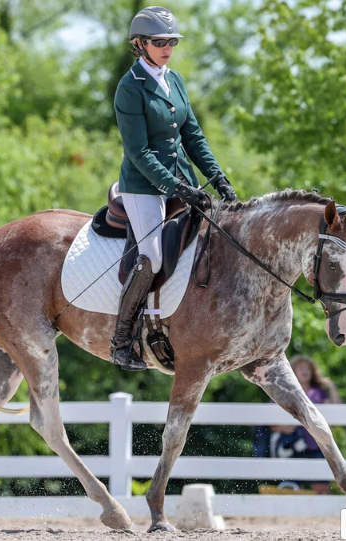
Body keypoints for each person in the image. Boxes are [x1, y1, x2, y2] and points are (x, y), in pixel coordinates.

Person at [109, 6, 238, 371]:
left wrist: (218, 176)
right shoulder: (128, 89)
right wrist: (176, 187)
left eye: (172, 42)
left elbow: (192, 135)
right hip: (143, 187)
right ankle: (122, 339)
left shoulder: (175, 79)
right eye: (159, 42)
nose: (167, 48)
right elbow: (139, 152)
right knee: (151, 256)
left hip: (182, 180)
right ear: (139, 44)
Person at [253, 355, 341, 494]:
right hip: (292, 445)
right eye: (301, 368)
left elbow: (337, 411)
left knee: (321, 486)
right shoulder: (283, 391)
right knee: (293, 486)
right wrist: (281, 427)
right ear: (293, 371)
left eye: (307, 368)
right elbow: (268, 418)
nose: (305, 371)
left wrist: (331, 387)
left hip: (316, 444)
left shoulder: (318, 393)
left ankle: (322, 514)